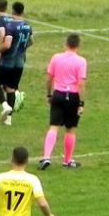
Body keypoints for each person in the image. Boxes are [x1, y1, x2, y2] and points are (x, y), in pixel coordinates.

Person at [38, 34, 87, 170]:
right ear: (78, 46)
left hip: (58, 94)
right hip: (72, 96)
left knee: (54, 126)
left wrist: (49, 94)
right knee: (70, 129)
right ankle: (67, 160)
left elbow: (49, 79)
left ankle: (46, 157)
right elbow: (81, 83)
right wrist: (82, 103)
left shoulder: (56, 58)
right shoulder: (81, 61)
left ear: (66, 44)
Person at [0, 2, 33, 126]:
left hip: (7, 61)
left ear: (13, 11)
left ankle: (5, 106)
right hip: (20, 62)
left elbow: (7, 44)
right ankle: (8, 119)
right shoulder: (27, 26)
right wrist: (22, 49)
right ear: (23, 12)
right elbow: (31, 42)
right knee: (10, 89)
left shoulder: (10, 26)